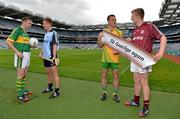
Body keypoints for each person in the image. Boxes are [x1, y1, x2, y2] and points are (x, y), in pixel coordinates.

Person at [124, 8, 167, 117]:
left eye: (132, 16)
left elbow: (163, 37)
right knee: (136, 80)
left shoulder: (149, 26)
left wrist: (161, 52)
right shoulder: (134, 30)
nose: (131, 18)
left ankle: (146, 107)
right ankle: (136, 101)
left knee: (144, 82)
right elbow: (135, 45)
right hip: (134, 59)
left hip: (144, 60)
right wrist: (131, 42)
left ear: (138, 16)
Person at [6, 17, 32, 103]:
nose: (30, 25)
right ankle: (19, 93)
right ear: (24, 22)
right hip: (21, 55)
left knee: (24, 74)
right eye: (29, 23)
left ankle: (23, 90)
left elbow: (26, 45)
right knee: (20, 75)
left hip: (27, 55)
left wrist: (32, 46)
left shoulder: (26, 34)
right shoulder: (18, 30)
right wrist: (17, 52)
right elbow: (8, 42)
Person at [97, 14, 123, 103]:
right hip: (105, 58)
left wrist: (118, 51)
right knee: (104, 75)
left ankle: (115, 94)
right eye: (112, 20)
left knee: (115, 76)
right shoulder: (103, 32)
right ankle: (104, 92)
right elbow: (100, 46)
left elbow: (122, 47)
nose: (114, 21)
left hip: (115, 59)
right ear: (108, 21)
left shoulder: (119, 32)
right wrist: (99, 38)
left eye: (115, 20)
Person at [39, 17, 60, 98]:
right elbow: (44, 45)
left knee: (55, 74)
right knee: (48, 74)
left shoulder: (53, 33)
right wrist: (41, 53)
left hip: (52, 57)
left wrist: (54, 56)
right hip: (45, 57)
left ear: (49, 24)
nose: (43, 25)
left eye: (44, 23)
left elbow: (55, 45)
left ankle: (57, 91)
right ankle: (50, 88)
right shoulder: (46, 34)